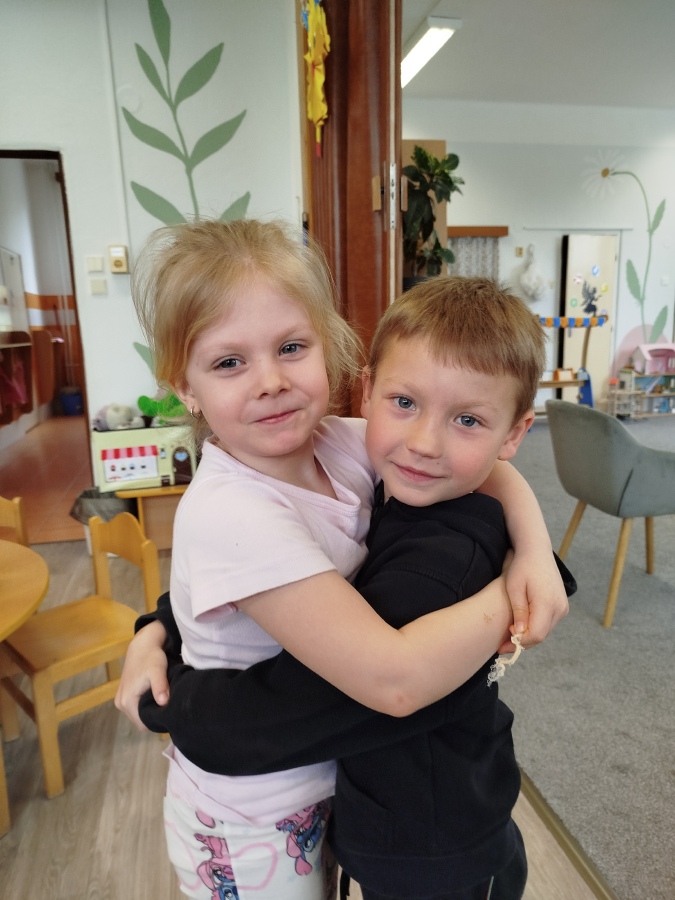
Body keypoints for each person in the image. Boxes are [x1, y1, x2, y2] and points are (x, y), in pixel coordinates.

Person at [117, 219, 568, 900]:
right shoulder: (232, 513)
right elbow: (393, 681)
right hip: (255, 815)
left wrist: (534, 549)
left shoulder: (342, 442)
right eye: (229, 362)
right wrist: (517, 586)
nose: (270, 381)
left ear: (328, 349)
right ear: (185, 386)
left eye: (290, 347)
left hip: (327, 781)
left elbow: (483, 466)